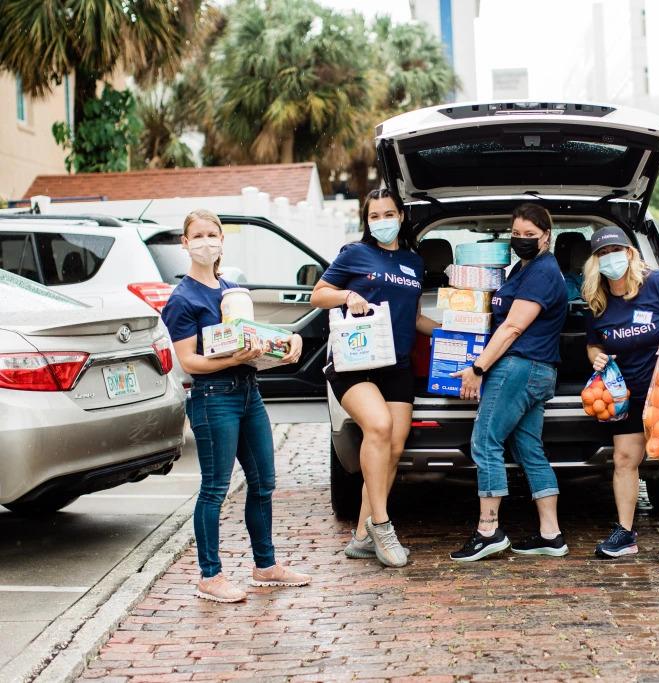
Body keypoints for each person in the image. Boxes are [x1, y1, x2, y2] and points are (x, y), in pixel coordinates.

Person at [162, 209, 311, 603]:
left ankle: (265, 566)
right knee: (215, 489)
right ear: (185, 242)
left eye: (213, 234)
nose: (206, 241)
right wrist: (236, 359)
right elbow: (190, 362)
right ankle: (210, 576)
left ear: (222, 241)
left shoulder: (231, 291)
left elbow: (249, 339)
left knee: (264, 482)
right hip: (213, 399)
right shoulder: (181, 300)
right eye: (198, 235)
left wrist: (285, 343)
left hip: (248, 393)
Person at [310, 188, 438, 568]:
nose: (382, 221)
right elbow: (318, 295)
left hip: (395, 365)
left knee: (393, 449)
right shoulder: (354, 254)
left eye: (388, 214)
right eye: (375, 215)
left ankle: (362, 538)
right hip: (354, 364)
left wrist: (456, 332)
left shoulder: (414, 262)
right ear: (367, 221)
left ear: (401, 216)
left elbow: (415, 319)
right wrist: (347, 294)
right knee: (378, 427)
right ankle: (382, 527)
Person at [448, 203, 570, 562]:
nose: (521, 240)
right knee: (529, 448)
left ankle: (488, 530)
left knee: (485, 440)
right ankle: (551, 534)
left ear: (547, 236)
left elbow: (514, 326)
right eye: (515, 234)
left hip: (519, 367)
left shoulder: (543, 272)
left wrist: (478, 367)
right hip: (537, 370)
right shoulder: (524, 267)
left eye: (529, 235)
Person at [582, 226, 659, 562]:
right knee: (624, 459)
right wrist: (597, 357)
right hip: (627, 393)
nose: (611, 260)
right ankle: (625, 534)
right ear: (595, 262)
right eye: (603, 255)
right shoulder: (598, 299)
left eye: (616, 251)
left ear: (631, 253)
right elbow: (593, 344)